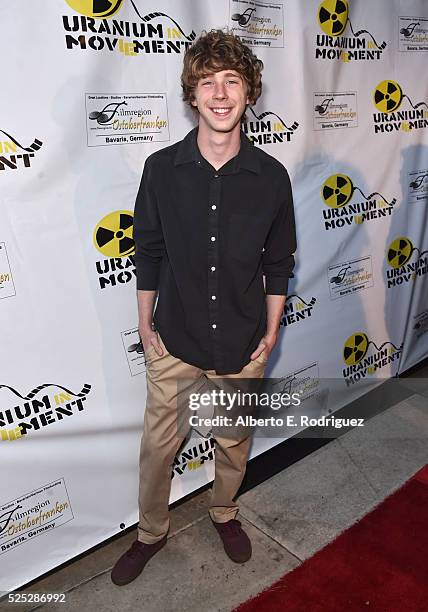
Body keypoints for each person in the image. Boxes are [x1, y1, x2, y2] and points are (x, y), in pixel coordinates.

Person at [111, 28, 297, 586]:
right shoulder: (161, 169)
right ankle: (150, 532)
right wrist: (145, 322)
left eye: (232, 81)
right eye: (208, 82)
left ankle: (223, 511)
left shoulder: (271, 178)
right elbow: (148, 249)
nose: (220, 93)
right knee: (156, 450)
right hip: (176, 338)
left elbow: (279, 260)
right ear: (192, 94)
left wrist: (270, 330)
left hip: (242, 342)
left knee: (233, 444)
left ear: (249, 93)